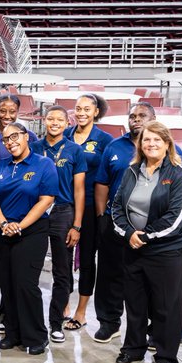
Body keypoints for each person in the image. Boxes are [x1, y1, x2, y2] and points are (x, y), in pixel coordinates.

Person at [109, 121, 182, 363]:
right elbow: (117, 206)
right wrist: (130, 233)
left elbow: (175, 217)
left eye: (157, 140)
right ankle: (133, 348)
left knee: (165, 305)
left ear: (167, 144)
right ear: (140, 145)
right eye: (147, 140)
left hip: (165, 251)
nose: (151, 144)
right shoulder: (132, 170)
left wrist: (146, 236)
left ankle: (166, 356)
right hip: (132, 247)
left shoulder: (178, 174)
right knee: (135, 302)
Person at [0, 122, 58, 355]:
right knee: (7, 284)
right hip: (2, 231)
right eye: (6, 139)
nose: (10, 142)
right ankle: (13, 332)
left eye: (14, 136)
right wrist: (5, 224)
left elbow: (45, 200)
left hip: (32, 232)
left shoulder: (43, 164)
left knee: (25, 284)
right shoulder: (0, 165)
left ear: (26, 137)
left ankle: (36, 335)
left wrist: (20, 226)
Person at [91, 100, 157, 343]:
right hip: (116, 223)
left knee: (149, 279)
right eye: (132, 116)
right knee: (110, 276)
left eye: (142, 116)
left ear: (154, 119)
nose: (136, 119)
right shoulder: (114, 147)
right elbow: (102, 183)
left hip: (150, 227)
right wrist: (102, 217)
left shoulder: (164, 146)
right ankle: (109, 322)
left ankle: (151, 328)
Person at [30, 106, 86, 343]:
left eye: (59, 119)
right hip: (38, 211)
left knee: (62, 271)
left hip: (63, 212)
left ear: (67, 123)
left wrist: (77, 225)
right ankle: (31, 320)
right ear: (44, 120)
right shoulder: (34, 147)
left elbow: (80, 189)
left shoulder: (74, 150)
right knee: (31, 267)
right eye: (50, 118)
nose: (54, 122)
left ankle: (56, 322)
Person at [63, 93, 114, 333]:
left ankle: (81, 311)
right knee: (62, 258)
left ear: (96, 112)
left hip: (92, 206)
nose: (81, 113)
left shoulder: (104, 140)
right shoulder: (64, 135)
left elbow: (109, 175)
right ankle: (62, 303)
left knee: (86, 259)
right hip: (64, 205)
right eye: (77, 108)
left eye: (86, 109)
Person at [0, 95, 37, 162]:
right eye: (2, 111)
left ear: (17, 111)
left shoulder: (29, 136)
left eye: (12, 112)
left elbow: (36, 162)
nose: (7, 116)